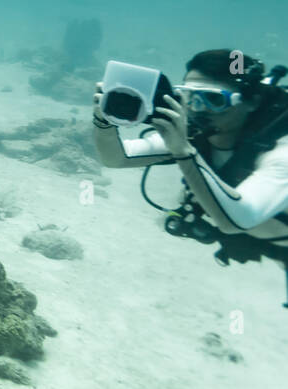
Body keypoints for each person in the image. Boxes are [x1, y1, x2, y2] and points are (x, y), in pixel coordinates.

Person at [93, 50, 288, 302]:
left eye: (213, 100)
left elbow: (237, 219)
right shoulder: (195, 136)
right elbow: (116, 158)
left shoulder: (281, 153)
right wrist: (103, 122)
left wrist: (183, 151)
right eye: (190, 97)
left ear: (252, 101)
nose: (197, 110)